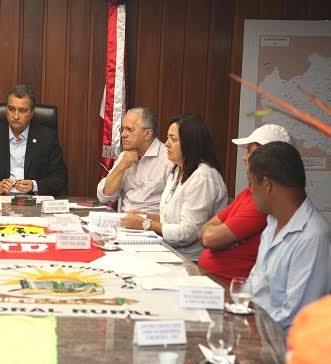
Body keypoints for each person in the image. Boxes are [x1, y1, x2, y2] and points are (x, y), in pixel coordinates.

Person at [246, 142, 330, 331]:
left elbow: (295, 318)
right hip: (256, 330)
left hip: (282, 351)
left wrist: (247, 329)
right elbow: (254, 286)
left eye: (251, 183)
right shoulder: (272, 223)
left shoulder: (312, 238)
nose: (250, 190)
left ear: (266, 184)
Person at [120, 113, 227, 261]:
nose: (167, 144)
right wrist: (146, 216)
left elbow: (187, 233)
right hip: (169, 251)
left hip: (192, 261)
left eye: (173, 139)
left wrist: (145, 224)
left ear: (191, 143)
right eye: (167, 137)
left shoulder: (203, 177)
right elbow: (170, 220)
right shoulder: (177, 170)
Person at [197, 124, 292, 280]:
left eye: (249, 151)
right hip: (214, 281)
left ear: (268, 158)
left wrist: (221, 239)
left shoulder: (264, 201)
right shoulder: (249, 192)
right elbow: (203, 231)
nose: (244, 157)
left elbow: (209, 238)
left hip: (233, 290)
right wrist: (225, 239)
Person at [0, 84, 68, 196]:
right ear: (6, 110)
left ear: (32, 112)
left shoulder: (47, 137)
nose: (15, 116)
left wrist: (34, 185)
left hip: (34, 204)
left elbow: (60, 177)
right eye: (11, 109)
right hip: (0, 203)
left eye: (22, 110)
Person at [96, 107, 170, 213]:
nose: (123, 134)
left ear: (148, 134)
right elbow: (104, 197)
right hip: (124, 223)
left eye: (130, 129)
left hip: (151, 225)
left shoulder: (168, 158)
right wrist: (121, 166)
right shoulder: (124, 157)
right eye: (123, 129)